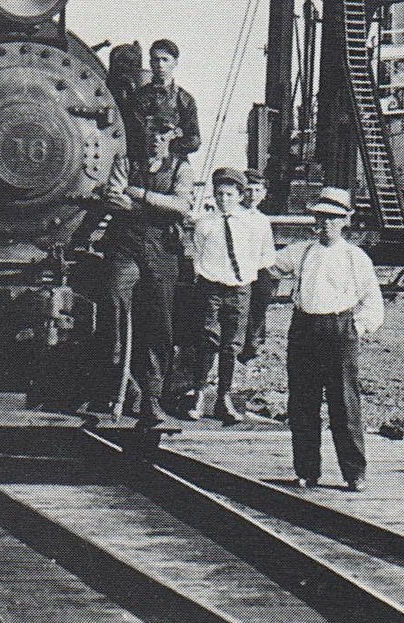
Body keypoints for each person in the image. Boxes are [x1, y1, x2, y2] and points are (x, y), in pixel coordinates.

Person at [272, 186, 384, 491]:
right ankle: (307, 470)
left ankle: (354, 473)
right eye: (321, 218)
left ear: (345, 220)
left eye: (333, 219)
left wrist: (356, 329)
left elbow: (373, 302)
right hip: (304, 328)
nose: (326, 225)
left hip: (340, 330)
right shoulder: (301, 251)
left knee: (344, 404)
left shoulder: (355, 257)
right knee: (303, 403)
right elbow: (266, 262)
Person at [103, 113, 196, 428]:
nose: (156, 138)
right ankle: (118, 369)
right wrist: (157, 203)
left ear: (172, 136)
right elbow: (114, 198)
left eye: (163, 133)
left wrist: (139, 195)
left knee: (159, 322)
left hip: (162, 249)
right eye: (152, 131)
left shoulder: (181, 168)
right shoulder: (126, 161)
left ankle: (152, 397)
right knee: (114, 294)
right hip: (125, 244)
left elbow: (182, 205)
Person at [181, 167, 277, 423]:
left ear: (240, 195)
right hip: (211, 289)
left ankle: (224, 397)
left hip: (240, 290)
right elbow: (197, 255)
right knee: (207, 339)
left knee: (231, 345)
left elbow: (266, 256)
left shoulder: (256, 224)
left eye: (230, 194)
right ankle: (199, 394)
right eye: (220, 194)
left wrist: (245, 274)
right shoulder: (205, 224)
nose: (224, 199)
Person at [130, 39, 201, 164]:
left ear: (175, 63)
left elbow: (194, 140)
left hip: (174, 164)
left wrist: (169, 144)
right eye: (156, 60)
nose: (160, 65)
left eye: (165, 59)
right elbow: (133, 135)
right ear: (151, 63)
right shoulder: (139, 97)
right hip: (142, 164)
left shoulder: (184, 99)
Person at [237, 169, 276, 368]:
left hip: (258, 269)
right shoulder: (235, 215)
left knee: (261, 298)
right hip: (237, 269)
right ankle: (239, 344)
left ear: (263, 193)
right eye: (249, 190)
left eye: (258, 190)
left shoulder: (262, 220)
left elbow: (268, 251)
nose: (253, 195)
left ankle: (252, 342)